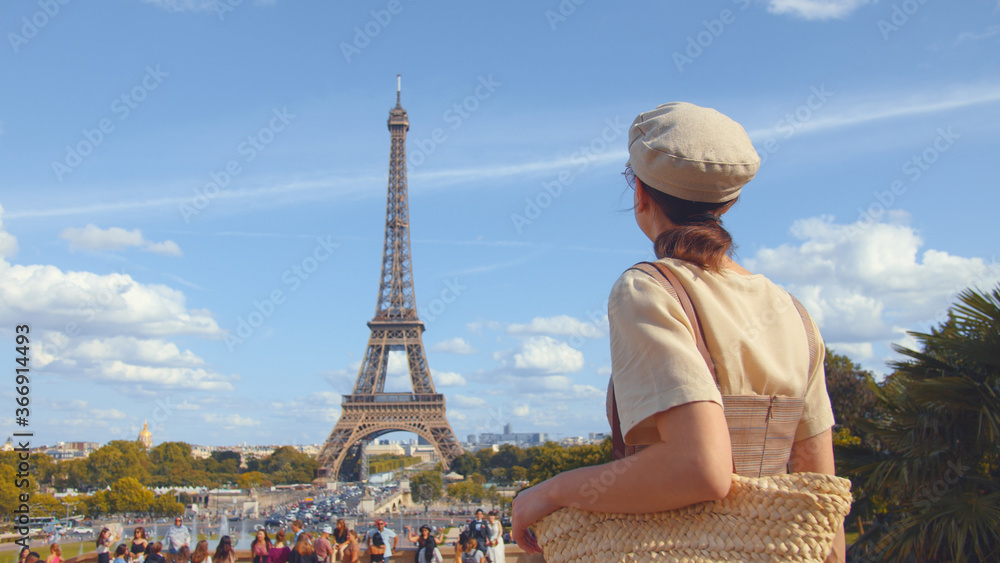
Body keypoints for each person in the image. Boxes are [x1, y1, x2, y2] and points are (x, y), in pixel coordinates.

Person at [509, 101, 844, 562]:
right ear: (729, 202)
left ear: (641, 195)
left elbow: (700, 470)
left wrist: (551, 491)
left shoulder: (647, 290)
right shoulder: (793, 312)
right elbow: (819, 497)